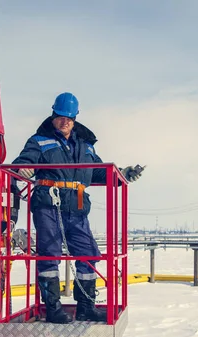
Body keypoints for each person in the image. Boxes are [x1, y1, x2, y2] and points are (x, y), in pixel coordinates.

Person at [12, 92, 143, 324]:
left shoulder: (85, 146)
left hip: (77, 205)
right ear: (53, 115)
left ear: (75, 118)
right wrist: (23, 168)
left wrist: (122, 173)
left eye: (69, 118)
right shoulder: (39, 141)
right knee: (49, 254)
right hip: (48, 203)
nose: (65, 122)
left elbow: (99, 172)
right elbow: (23, 162)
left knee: (88, 253)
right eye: (61, 117)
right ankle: (53, 309)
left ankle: (85, 307)